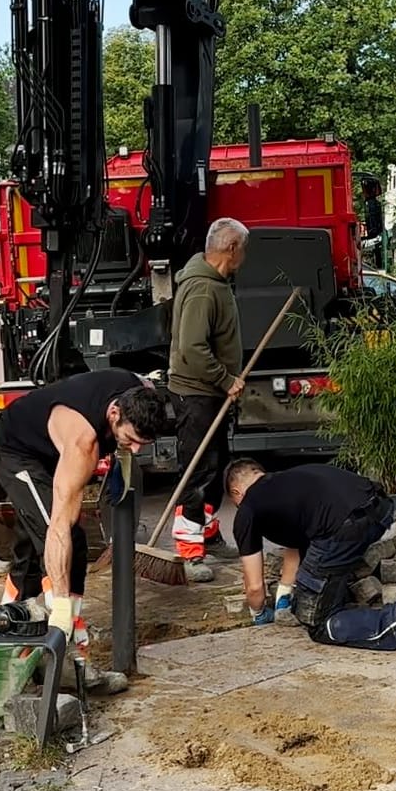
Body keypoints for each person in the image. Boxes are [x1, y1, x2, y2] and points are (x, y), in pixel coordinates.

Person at [0, 368, 172, 685]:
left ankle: (13, 640)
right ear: (114, 413)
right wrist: (61, 606)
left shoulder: (135, 393)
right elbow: (58, 527)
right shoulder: (82, 442)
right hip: (17, 451)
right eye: (131, 440)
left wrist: (122, 459)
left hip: (48, 447)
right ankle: (64, 648)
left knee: (30, 551)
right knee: (61, 535)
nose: (137, 449)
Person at [221, 458, 396, 654]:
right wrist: (286, 592)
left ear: (236, 492)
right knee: (320, 569)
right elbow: (295, 546)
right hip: (379, 510)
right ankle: (335, 595)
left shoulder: (249, 508)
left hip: (342, 530)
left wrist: (258, 612)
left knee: (317, 622)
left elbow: (254, 587)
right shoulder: (290, 481)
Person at [167, 217, 250, 581]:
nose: (244, 257)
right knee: (197, 472)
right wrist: (225, 378)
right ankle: (190, 553)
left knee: (215, 469)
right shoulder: (202, 289)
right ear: (232, 248)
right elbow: (192, 347)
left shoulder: (215, 283)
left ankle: (209, 534)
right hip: (197, 394)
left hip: (211, 393)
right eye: (243, 250)